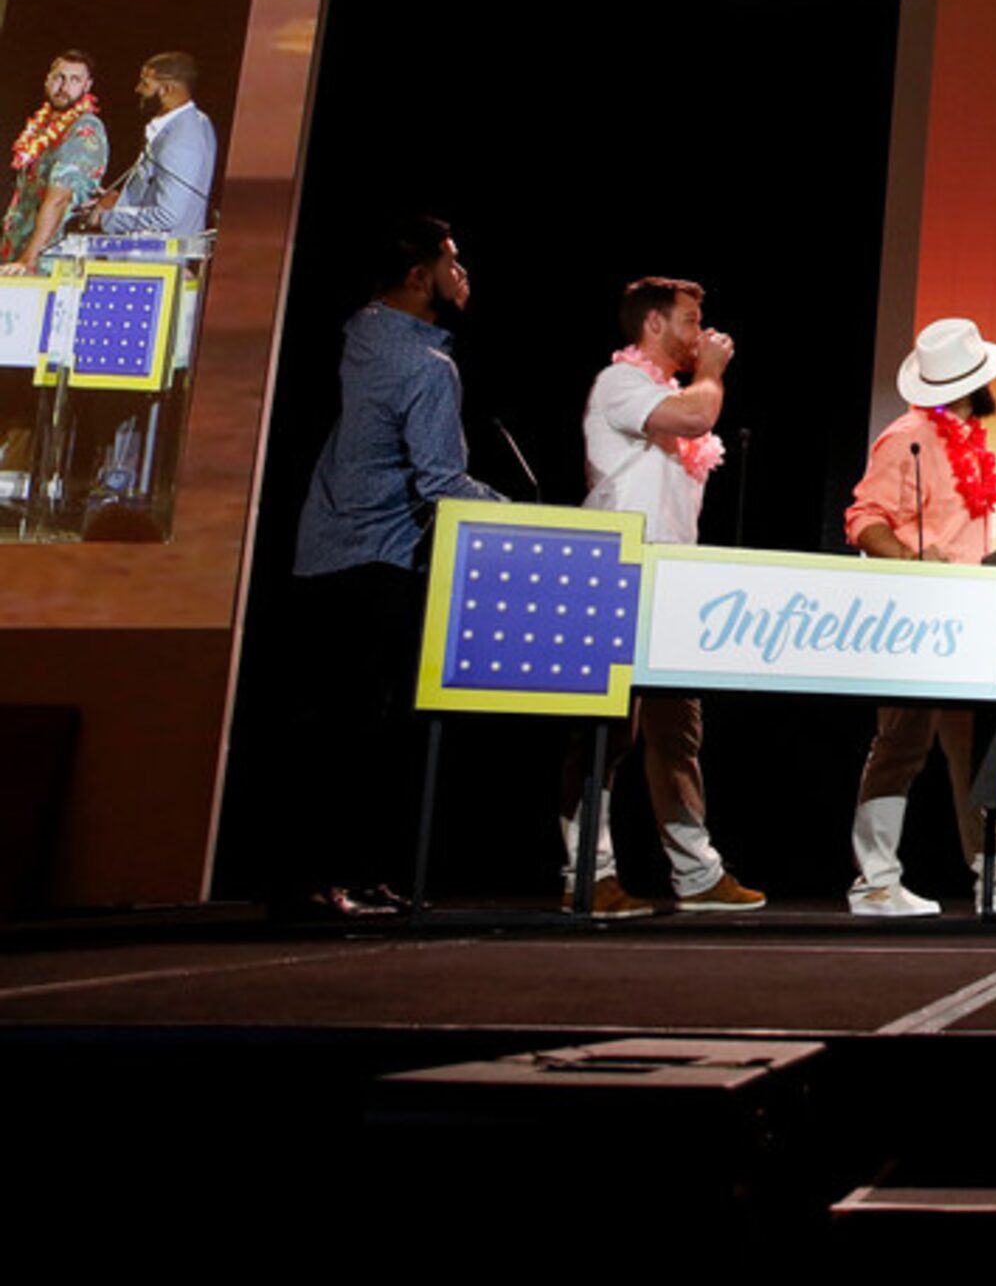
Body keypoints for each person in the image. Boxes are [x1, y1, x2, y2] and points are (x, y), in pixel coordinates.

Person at [283, 217, 508, 918]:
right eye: (453, 261)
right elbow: (442, 482)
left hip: (324, 554)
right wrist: (523, 513)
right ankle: (325, 884)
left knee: (341, 726)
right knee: (359, 730)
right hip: (377, 560)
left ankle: (344, 875)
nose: (463, 275)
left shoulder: (361, 331)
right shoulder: (423, 365)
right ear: (419, 276)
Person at [841, 316, 996, 918]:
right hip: (913, 615)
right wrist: (915, 557)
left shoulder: (966, 439)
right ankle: (875, 882)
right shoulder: (907, 437)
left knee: (977, 752)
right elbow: (863, 518)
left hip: (968, 614)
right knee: (899, 744)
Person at [555, 276, 765, 915]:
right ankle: (588, 875)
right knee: (606, 733)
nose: (700, 332)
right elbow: (699, 414)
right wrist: (712, 370)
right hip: (620, 572)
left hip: (674, 583)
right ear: (653, 325)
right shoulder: (621, 384)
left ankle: (696, 874)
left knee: (679, 733)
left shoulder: (668, 389)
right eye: (689, 320)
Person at [83, 52, 217, 240]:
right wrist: (118, 202)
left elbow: (167, 215)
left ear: (166, 89)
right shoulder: (196, 121)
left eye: (145, 83)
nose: (138, 89)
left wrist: (105, 218)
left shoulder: (181, 140)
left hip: (154, 261)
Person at [1, 50, 108, 273]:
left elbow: (60, 199)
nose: (64, 87)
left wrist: (28, 260)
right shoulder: (41, 124)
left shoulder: (85, 129)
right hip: (14, 248)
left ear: (87, 85)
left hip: (46, 262)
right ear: (47, 80)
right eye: (59, 77)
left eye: (74, 80)